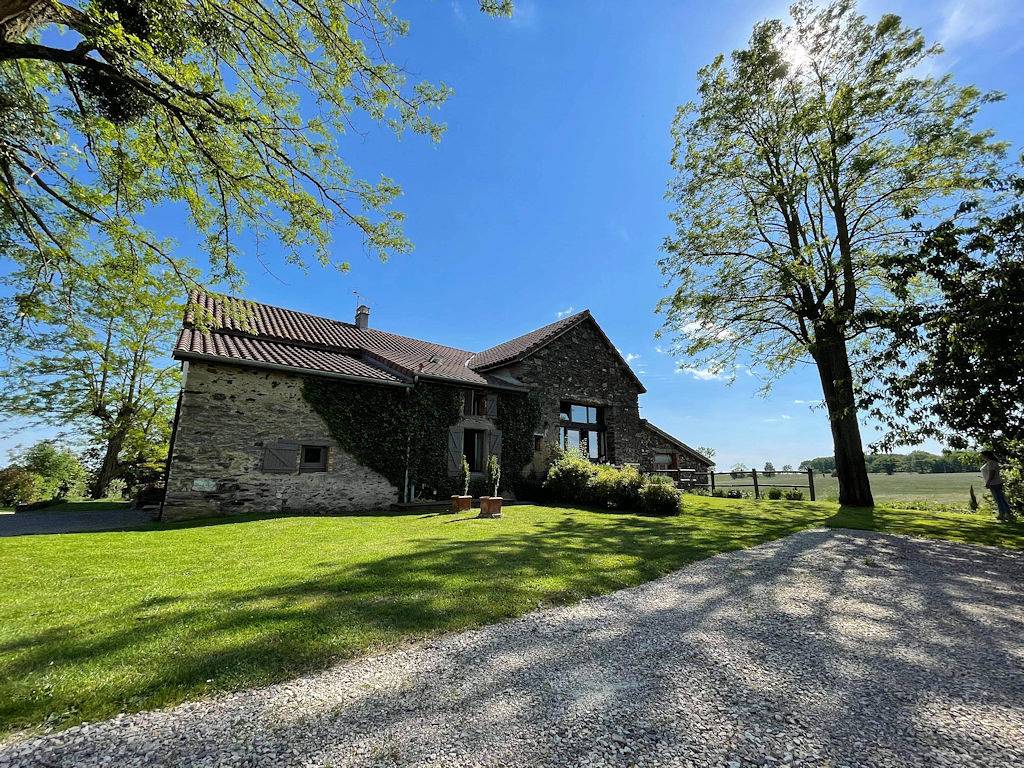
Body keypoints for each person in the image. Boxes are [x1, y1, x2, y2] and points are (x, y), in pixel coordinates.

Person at [980, 450, 1013, 522]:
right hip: (995, 483)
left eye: (982, 455)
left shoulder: (991, 463)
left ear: (987, 455)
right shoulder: (991, 462)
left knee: (999, 499)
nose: (981, 457)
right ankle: (1007, 514)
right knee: (1001, 499)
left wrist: (988, 483)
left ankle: (1003, 515)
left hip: (994, 483)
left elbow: (992, 473)